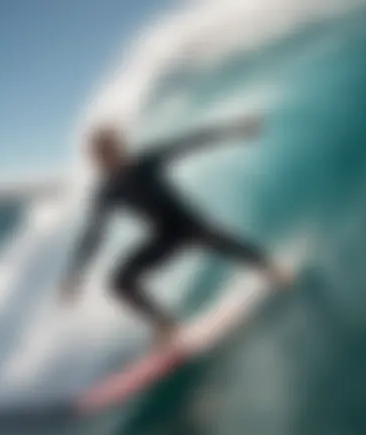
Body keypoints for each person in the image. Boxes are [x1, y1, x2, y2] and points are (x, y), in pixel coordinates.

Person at [60, 114, 291, 347]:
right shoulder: (107, 190)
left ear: (119, 147)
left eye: (108, 151)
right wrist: (75, 274)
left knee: (221, 242)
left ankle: (271, 269)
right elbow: (93, 234)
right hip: (164, 236)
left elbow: (189, 142)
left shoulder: (146, 161)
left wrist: (235, 129)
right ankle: (166, 324)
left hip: (188, 223)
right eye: (98, 156)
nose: (104, 160)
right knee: (119, 282)